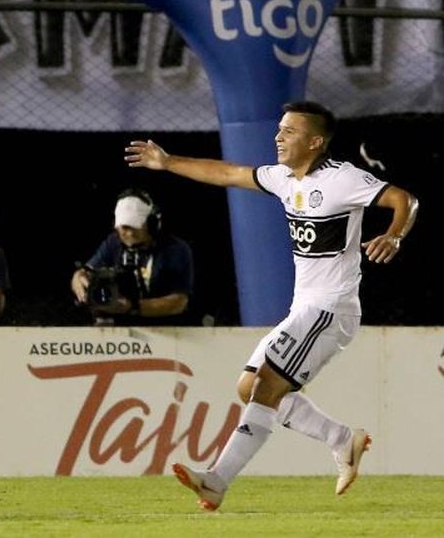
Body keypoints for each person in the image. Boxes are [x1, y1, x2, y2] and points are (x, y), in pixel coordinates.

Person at [124, 101, 418, 511]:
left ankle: (217, 480)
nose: (278, 137)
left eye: (289, 131)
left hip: (330, 309)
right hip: (306, 310)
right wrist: (169, 161)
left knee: (265, 384)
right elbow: (228, 173)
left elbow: (405, 199)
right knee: (248, 387)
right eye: (279, 129)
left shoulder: (343, 179)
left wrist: (395, 235)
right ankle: (341, 439)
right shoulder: (283, 178)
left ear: (315, 141)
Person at [69, 189, 193, 326]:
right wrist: (79, 280)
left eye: (133, 226)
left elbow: (179, 302)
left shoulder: (175, 249)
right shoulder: (113, 243)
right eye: (123, 227)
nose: (127, 233)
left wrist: (133, 307)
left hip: (168, 329)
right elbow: (84, 272)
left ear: (152, 224)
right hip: (122, 327)